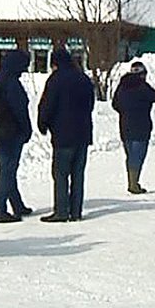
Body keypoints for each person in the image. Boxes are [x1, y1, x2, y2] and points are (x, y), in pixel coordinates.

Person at [37, 47, 95, 223]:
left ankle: (61, 211)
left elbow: (47, 105)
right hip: (83, 134)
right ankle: (76, 211)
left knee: (61, 174)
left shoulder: (56, 80)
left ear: (55, 63)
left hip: (63, 135)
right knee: (78, 174)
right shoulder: (84, 78)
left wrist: (43, 124)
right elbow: (91, 104)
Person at [0, 48, 34, 223]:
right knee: (8, 170)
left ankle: (17, 205)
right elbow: (20, 109)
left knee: (7, 168)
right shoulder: (11, 83)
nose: (25, 70)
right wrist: (27, 130)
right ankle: (0, 209)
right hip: (10, 133)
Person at [111, 61, 155, 195]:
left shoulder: (122, 86)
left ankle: (132, 181)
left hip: (125, 126)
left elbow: (115, 104)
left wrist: (126, 111)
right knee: (138, 156)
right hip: (141, 127)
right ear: (143, 74)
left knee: (130, 156)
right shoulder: (142, 87)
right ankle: (133, 184)